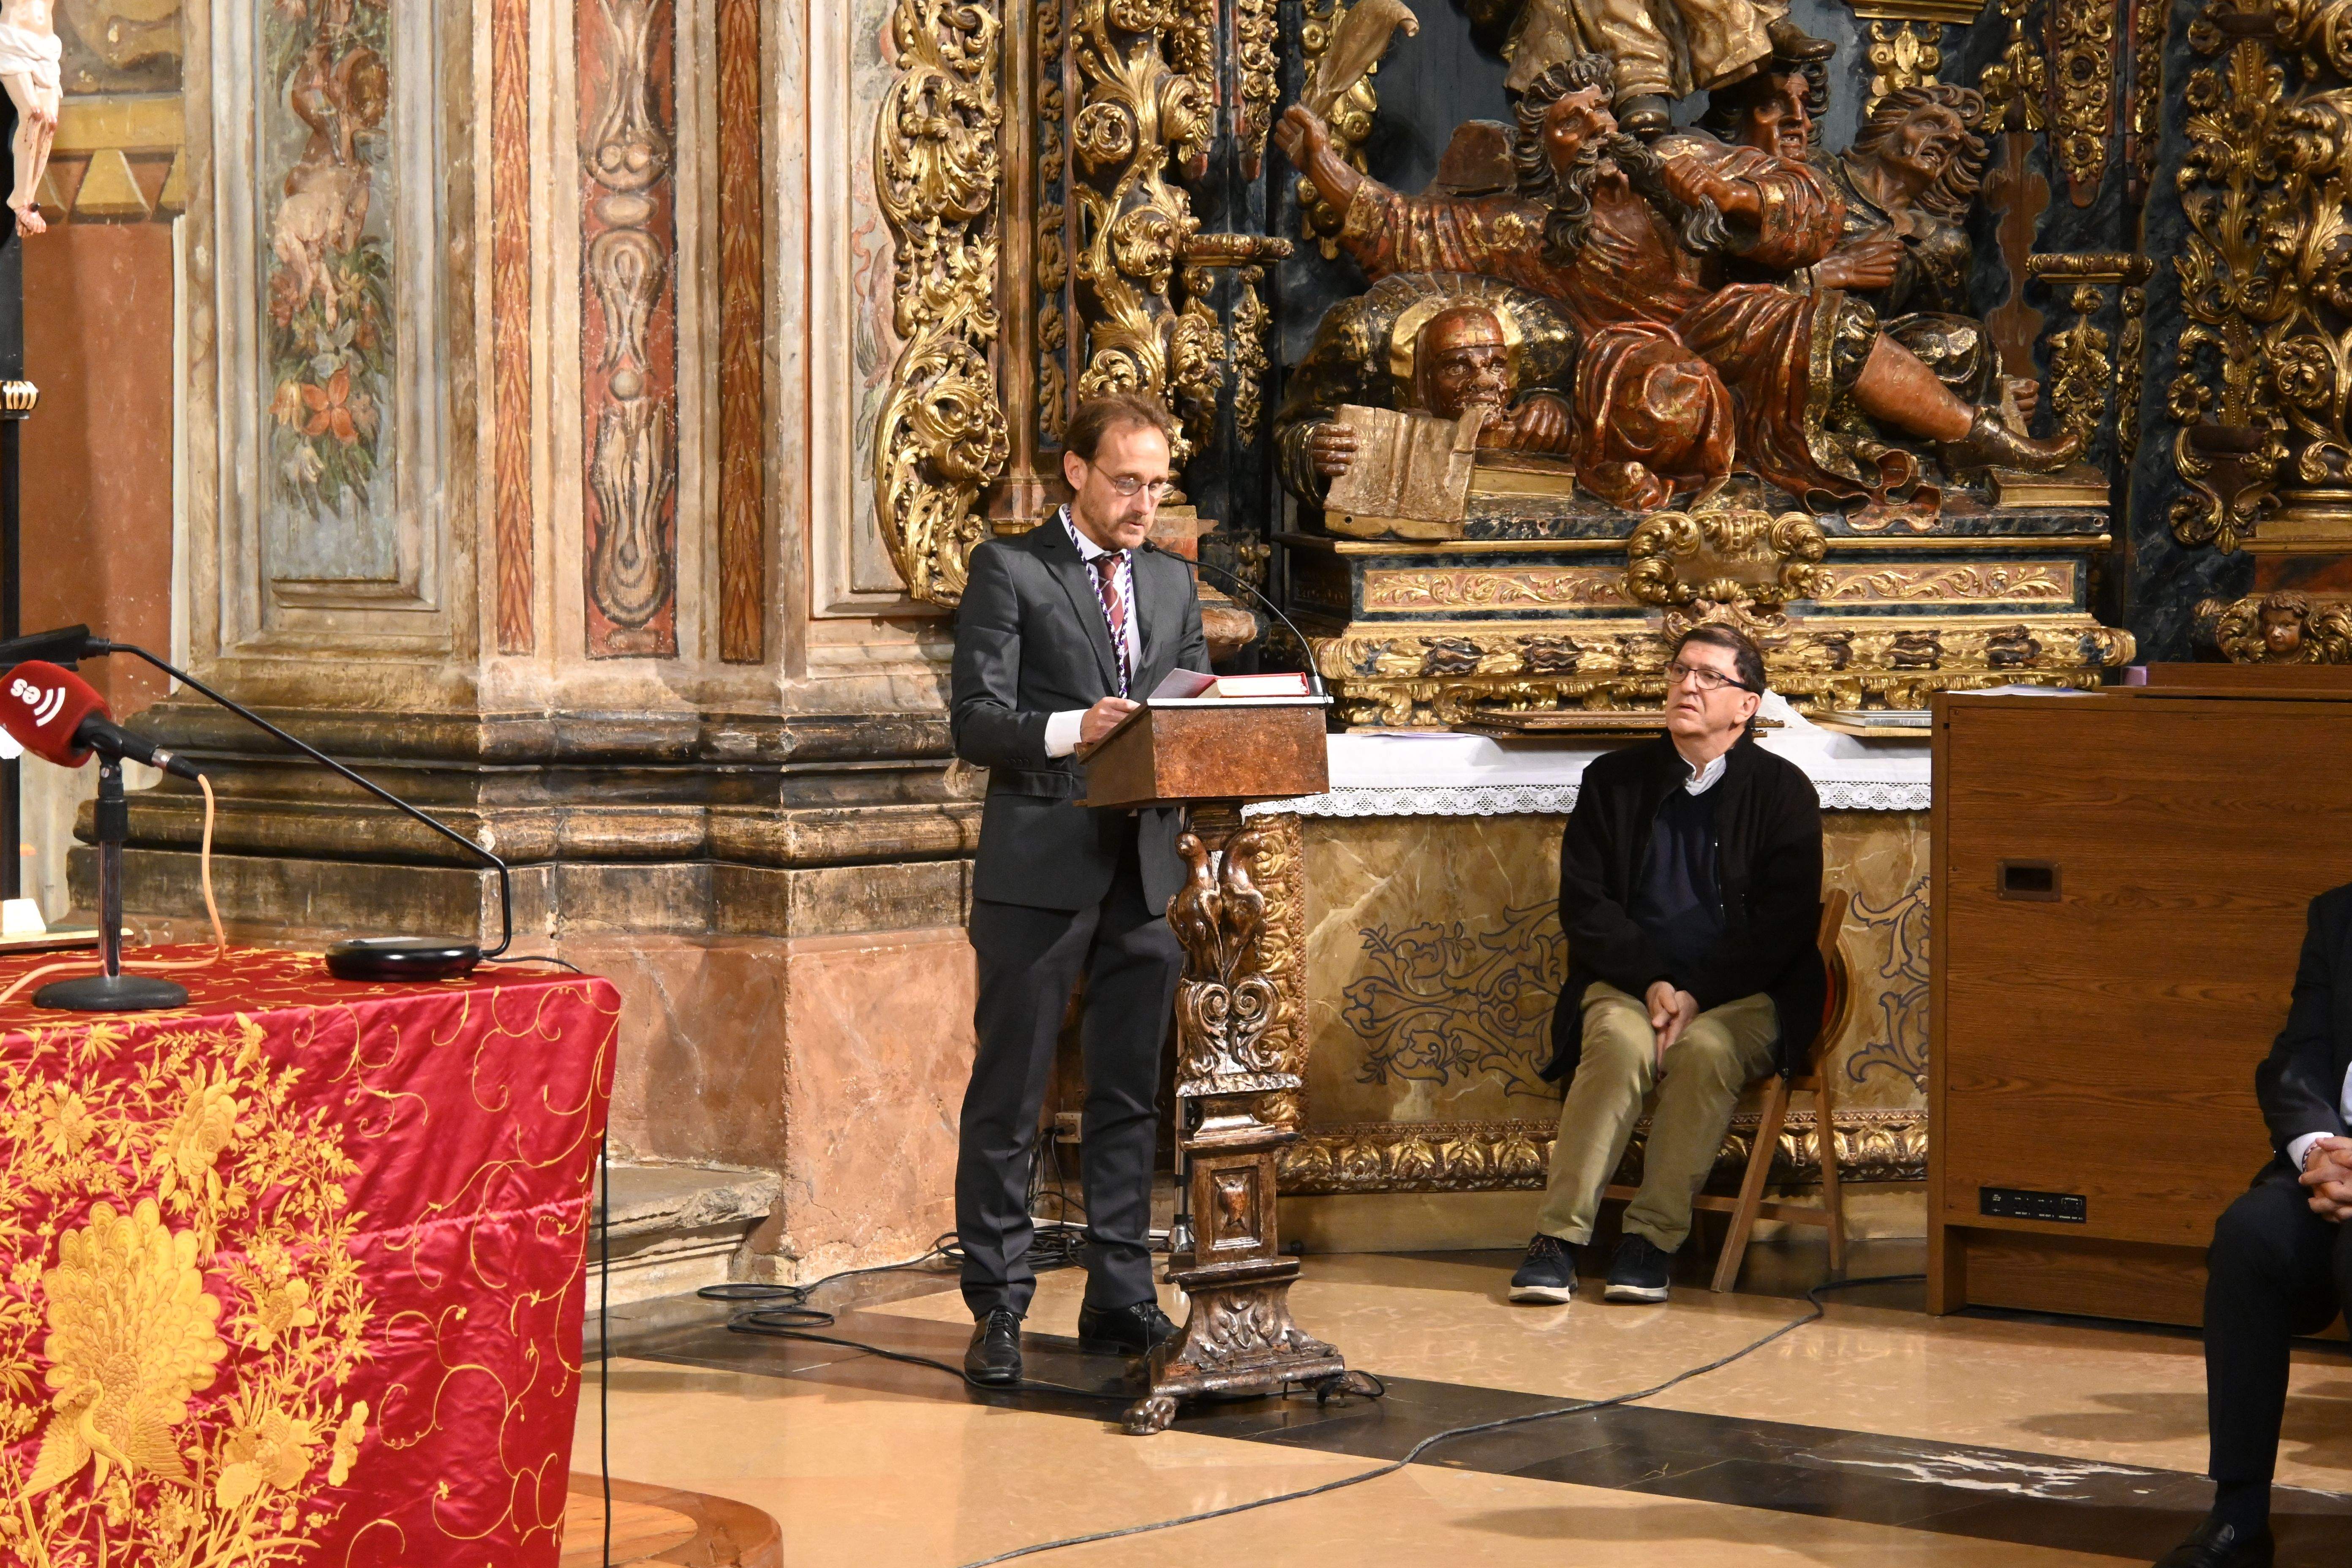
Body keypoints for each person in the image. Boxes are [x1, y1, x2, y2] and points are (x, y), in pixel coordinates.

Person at [1273, 55, 2079, 512]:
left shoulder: (1686, 162)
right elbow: (1407, 227)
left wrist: (1725, 194)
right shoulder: (1526, 226)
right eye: (1570, 125)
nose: (1593, 132)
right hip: (1630, 351)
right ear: (1542, 149)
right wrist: (1321, 160)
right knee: (1671, 384)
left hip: (1724, 318)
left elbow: (1815, 208)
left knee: (1801, 320)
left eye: (1601, 116)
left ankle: (1987, 443)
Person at [947, 393, 1209, 1386]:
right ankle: (1001, 1303)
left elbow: (1192, 709)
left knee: (1129, 1099)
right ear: (1075, 471)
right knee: (1010, 1096)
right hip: (1041, 867)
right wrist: (1071, 729)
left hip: (1144, 871)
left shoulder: (1174, 584)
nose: (1144, 502)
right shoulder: (1012, 568)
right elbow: (975, 720)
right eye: (1126, 481)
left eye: (1156, 482)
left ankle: (1121, 1292)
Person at [1508, 625, 1826, 1304]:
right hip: (1630, 985)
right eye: (1682, 671)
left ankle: (1649, 1241)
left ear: (1749, 705)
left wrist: (1697, 993)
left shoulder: (1783, 791)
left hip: (1743, 994)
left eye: (1711, 677)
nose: (1689, 685)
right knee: (1621, 1044)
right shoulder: (1614, 780)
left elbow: (1784, 925)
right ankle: (1558, 1241)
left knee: (1705, 1051)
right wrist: (1654, 982)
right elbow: (1587, 907)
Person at [2153, 884, 2352, 1567]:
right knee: (2250, 1235)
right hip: (2338, 1161)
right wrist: (2321, 1154)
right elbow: (2296, 1059)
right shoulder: (2339, 913)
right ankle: (2238, 1517)